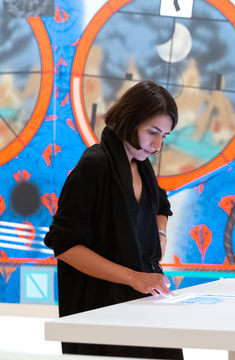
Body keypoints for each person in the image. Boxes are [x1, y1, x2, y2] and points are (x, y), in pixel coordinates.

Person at [44, 80, 183, 359]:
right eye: (152, 132)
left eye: (164, 136)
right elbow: (65, 246)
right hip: (100, 304)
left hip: (143, 302)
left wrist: (160, 235)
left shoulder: (142, 167)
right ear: (130, 121)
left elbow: (161, 204)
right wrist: (133, 277)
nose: (157, 145)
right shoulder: (95, 166)